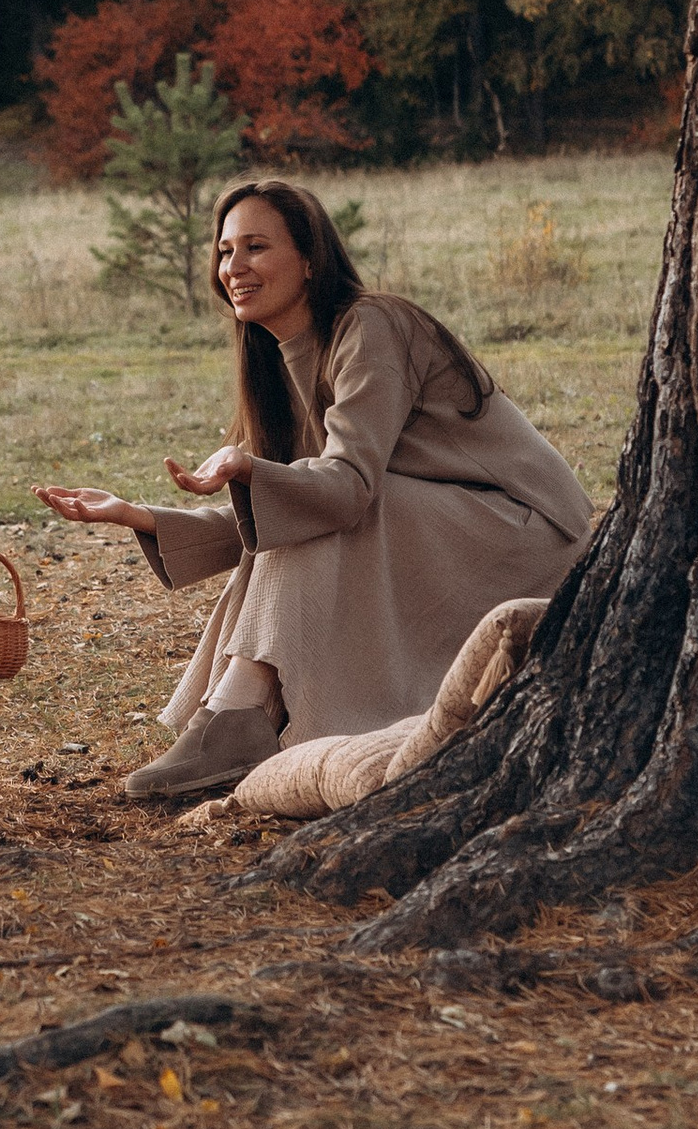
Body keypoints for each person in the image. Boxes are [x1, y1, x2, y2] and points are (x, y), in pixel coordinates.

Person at [36, 177, 593, 803]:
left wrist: (251, 472)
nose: (234, 267)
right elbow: (286, 506)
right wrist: (140, 516)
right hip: (431, 529)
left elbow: (345, 489)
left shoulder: (372, 326)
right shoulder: (274, 363)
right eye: (224, 251)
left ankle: (242, 714)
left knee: (324, 502)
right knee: (301, 503)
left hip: (524, 536)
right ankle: (238, 713)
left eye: (255, 247)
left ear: (308, 260)